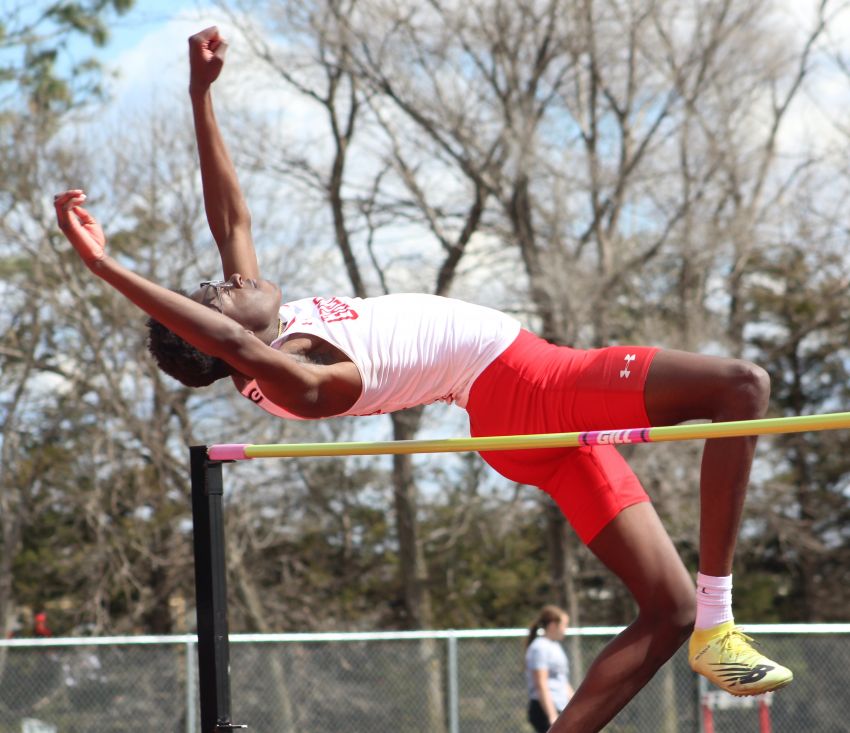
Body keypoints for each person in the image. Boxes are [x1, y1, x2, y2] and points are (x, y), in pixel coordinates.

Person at [54, 26, 793, 733]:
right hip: (530, 385)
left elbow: (229, 210)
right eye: (221, 296)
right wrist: (104, 267)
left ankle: (686, 632)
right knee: (740, 388)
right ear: (229, 339)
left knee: (663, 609)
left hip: (512, 417)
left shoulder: (269, 328)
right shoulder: (302, 383)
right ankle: (720, 618)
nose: (232, 279)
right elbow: (215, 325)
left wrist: (199, 94)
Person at [525, 606, 574, 732]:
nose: (566, 630)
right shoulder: (540, 648)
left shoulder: (555, 646)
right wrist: (552, 715)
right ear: (553, 625)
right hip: (544, 709)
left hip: (560, 707)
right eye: (564, 625)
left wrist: (575, 706)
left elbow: (562, 680)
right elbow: (541, 684)